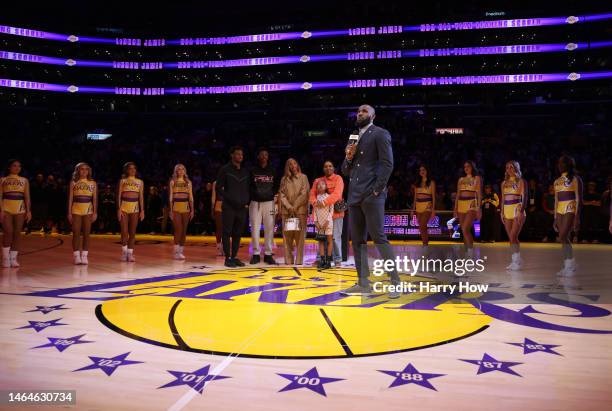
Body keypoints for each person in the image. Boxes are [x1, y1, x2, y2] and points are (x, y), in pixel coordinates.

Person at [340, 104, 400, 298]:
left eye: (364, 111)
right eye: (358, 111)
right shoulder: (354, 137)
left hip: (371, 196)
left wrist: (376, 190)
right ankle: (363, 282)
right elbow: (345, 171)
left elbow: (387, 164)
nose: (360, 113)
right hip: (355, 196)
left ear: (373, 115)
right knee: (357, 241)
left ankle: (396, 282)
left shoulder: (380, 134)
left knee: (379, 238)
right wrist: (348, 157)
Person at [216, 146, 250, 267]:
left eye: (241, 154)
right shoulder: (225, 169)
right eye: (237, 154)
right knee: (227, 232)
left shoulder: (245, 171)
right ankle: (227, 258)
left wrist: (246, 201)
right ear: (232, 155)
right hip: (229, 207)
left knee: (237, 233)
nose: (240, 156)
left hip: (241, 208)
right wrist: (229, 198)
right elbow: (218, 188)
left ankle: (234, 257)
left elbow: (248, 188)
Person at [309, 160, 345, 267]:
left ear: (333, 168)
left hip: (336, 214)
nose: (328, 168)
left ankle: (337, 259)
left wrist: (323, 202)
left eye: (330, 166)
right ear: (323, 169)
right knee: (321, 238)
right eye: (325, 166)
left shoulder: (338, 178)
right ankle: (320, 259)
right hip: (321, 216)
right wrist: (315, 203)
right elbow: (312, 195)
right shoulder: (318, 181)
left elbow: (337, 195)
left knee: (335, 238)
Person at [553, 155, 583, 276]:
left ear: (569, 164)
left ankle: (571, 265)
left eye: (563, 163)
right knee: (563, 238)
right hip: (559, 209)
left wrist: (577, 216)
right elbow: (556, 200)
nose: (560, 165)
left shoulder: (575, 179)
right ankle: (568, 265)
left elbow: (579, 199)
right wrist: (554, 217)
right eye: (559, 163)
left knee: (563, 235)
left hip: (571, 208)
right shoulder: (556, 181)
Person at [249, 148, 279, 265]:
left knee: (269, 229)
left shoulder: (272, 170)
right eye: (261, 155)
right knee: (255, 229)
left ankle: (268, 254)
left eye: (266, 155)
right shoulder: (252, 170)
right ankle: (256, 254)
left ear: (268, 157)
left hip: (269, 202)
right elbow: (249, 186)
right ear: (258, 157)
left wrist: (272, 196)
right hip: (255, 202)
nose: (264, 156)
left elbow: (276, 186)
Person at [1, 159, 31, 268]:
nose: (17, 168)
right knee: (8, 232)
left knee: (17, 233)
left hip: (20, 209)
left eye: (19, 166)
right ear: (9, 167)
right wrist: (1, 210)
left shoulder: (24, 180)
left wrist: (28, 211)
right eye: (14, 165)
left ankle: (13, 258)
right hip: (6, 209)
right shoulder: (3, 180)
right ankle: (5, 258)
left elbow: (27, 197)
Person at [279, 158, 309, 265]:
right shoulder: (284, 179)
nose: (292, 166)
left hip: (300, 211)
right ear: (287, 167)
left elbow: (304, 193)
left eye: (294, 163)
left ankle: (299, 261)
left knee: (300, 238)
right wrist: (289, 207)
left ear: (297, 165)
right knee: (287, 238)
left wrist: (294, 207)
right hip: (287, 212)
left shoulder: (303, 177)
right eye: (290, 164)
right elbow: (281, 195)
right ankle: (288, 261)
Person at [67, 162, 97, 265]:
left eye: (86, 169)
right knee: (75, 232)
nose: (84, 171)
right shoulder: (73, 182)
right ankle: (76, 256)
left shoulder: (92, 183)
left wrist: (95, 212)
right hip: (76, 209)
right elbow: (70, 198)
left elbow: (95, 199)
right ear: (78, 171)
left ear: (89, 171)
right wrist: (69, 213)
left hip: (88, 209)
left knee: (86, 233)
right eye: (82, 169)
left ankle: (84, 255)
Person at [500, 161, 527, 271]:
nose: (509, 169)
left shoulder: (521, 181)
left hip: (517, 210)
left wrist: (521, 211)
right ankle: (516, 260)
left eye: (511, 167)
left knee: (513, 236)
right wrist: (501, 212)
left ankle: (517, 261)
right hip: (506, 211)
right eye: (507, 167)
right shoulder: (504, 183)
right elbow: (503, 198)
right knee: (512, 238)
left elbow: (525, 197)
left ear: (516, 168)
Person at [454, 160, 482, 258]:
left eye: (468, 166)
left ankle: (470, 253)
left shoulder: (477, 178)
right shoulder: (461, 179)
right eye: (465, 166)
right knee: (464, 229)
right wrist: (455, 208)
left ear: (472, 167)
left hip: (472, 204)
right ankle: (467, 252)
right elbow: (458, 194)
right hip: (461, 204)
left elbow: (479, 193)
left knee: (465, 229)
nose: (466, 168)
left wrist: (479, 208)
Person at [117, 162, 145, 262]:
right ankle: (124, 253)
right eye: (130, 168)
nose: (132, 170)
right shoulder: (122, 181)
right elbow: (119, 196)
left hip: (135, 209)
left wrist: (142, 210)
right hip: (124, 208)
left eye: (134, 168)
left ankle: (130, 254)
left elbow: (141, 197)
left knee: (132, 233)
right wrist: (118, 209)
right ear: (126, 170)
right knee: (124, 232)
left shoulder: (140, 182)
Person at [169, 164, 194, 260]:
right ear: (176, 171)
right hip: (176, 208)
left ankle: (181, 251)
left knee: (184, 231)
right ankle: (176, 252)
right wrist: (170, 210)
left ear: (185, 170)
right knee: (178, 229)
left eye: (182, 169)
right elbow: (171, 197)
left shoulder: (188, 182)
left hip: (186, 208)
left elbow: (191, 197)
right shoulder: (173, 182)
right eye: (179, 169)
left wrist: (192, 210)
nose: (181, 170)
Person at [411, 164, 436, 253]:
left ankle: (425, 246)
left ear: (427, 171)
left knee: (422, 225)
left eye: (424, 170)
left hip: (427, 206)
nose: (422, 171)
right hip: (418, 207)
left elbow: (433, 197)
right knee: (422, 227)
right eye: (420, 170)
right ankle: (425, 244)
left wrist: (433, 210)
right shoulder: (417, 183)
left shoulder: (431, 182)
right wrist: (412, 209)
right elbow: (415, 197)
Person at [313, 180, 333, 269]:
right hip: (319, 223)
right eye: (319, 185)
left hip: (328, 223)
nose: (321, 186)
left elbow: (331, 210)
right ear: (317, 188)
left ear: (326, 187)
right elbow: (315, 211)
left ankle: (328, 261)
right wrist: (315, 221)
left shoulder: (329, 197)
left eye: (323, 184)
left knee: (329, 241)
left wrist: (327, 221)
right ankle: (322, 261)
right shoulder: (316, 198)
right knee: (321, 242)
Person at [211, 181, 223, 255]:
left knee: (227, 229)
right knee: (219, 227)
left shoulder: (230, 180)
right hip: (218, 205)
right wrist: (212, 208)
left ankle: (225, 248)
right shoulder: (216, 183)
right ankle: (218, 247)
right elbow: (213, 196)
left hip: (228, 206)